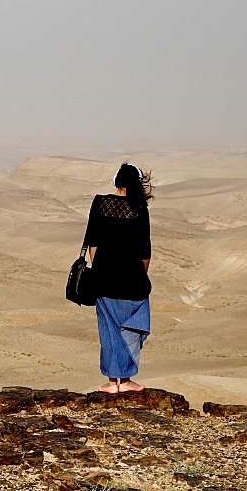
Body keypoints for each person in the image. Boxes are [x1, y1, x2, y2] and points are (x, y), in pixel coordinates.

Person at [83, 163, 153, 393]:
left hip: (103, 279)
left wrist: (100, 270)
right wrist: (139, 275)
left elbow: (92, 242)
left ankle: (114, 382)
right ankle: (127, 379)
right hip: (133, 281)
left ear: (116, 181)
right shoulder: (139, 207)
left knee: (109, 329)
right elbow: (145, 251)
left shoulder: (100, 202)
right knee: (132, 327)